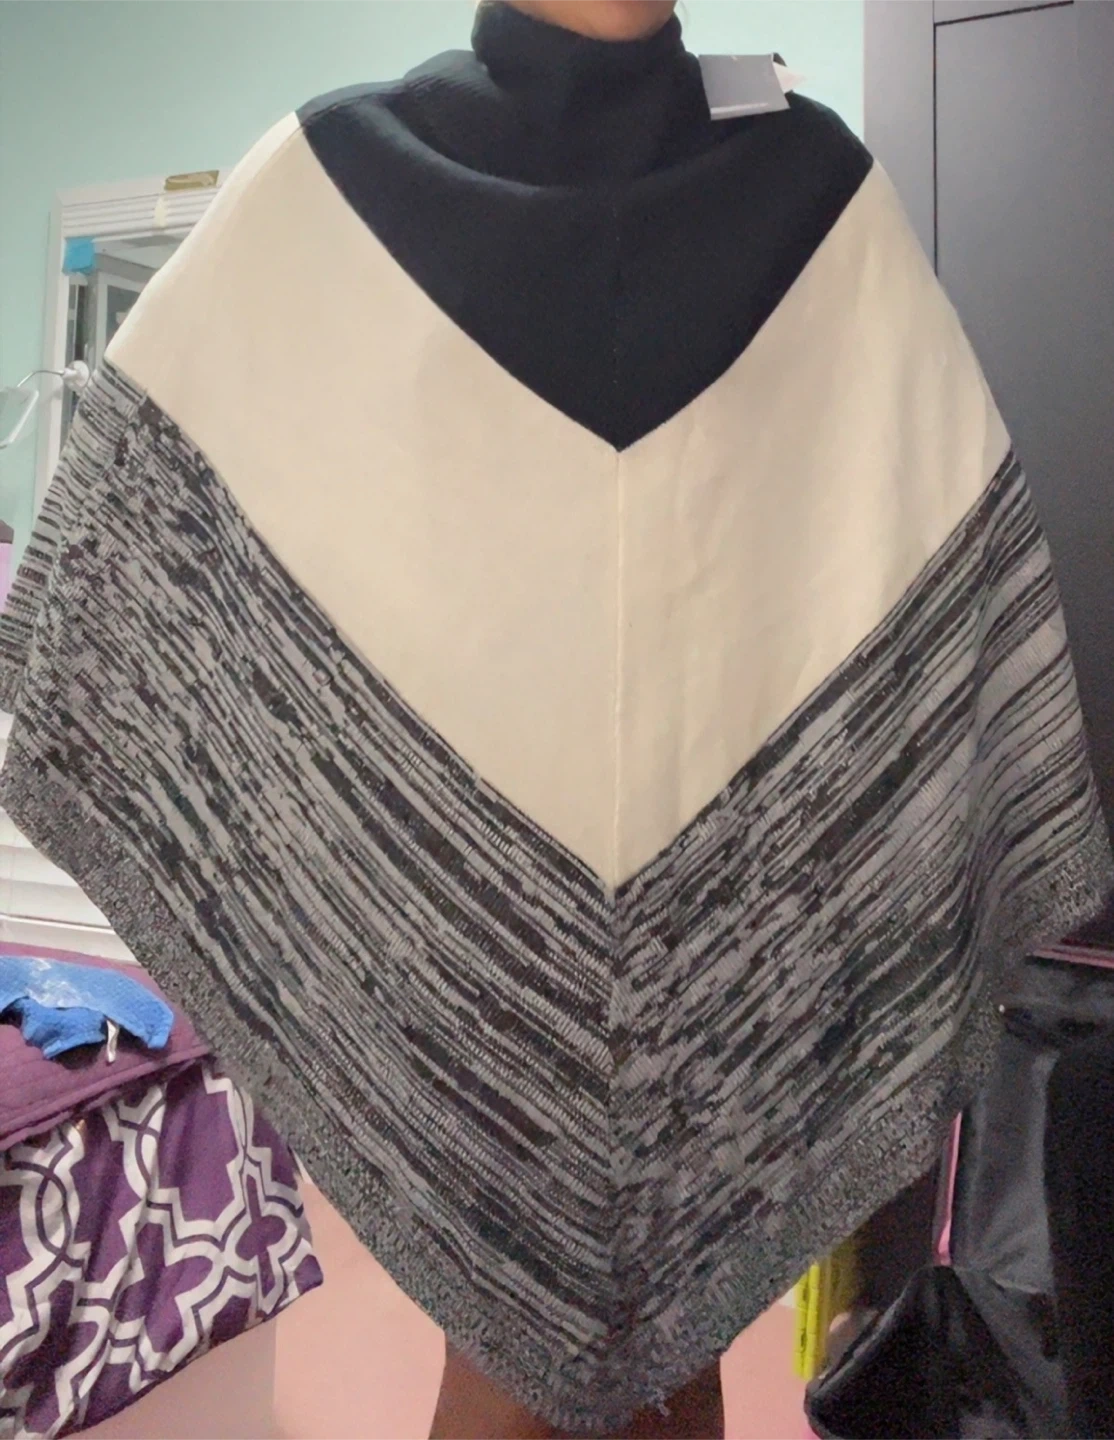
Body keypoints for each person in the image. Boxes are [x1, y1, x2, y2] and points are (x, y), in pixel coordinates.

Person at [0, 1, 1108, 1438]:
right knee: (521, 1369)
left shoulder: (819, 195)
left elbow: (937, 595)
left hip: (734, 958)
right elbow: (125, 585)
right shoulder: (329, 181)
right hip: (460, 965)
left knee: (681, 1362)